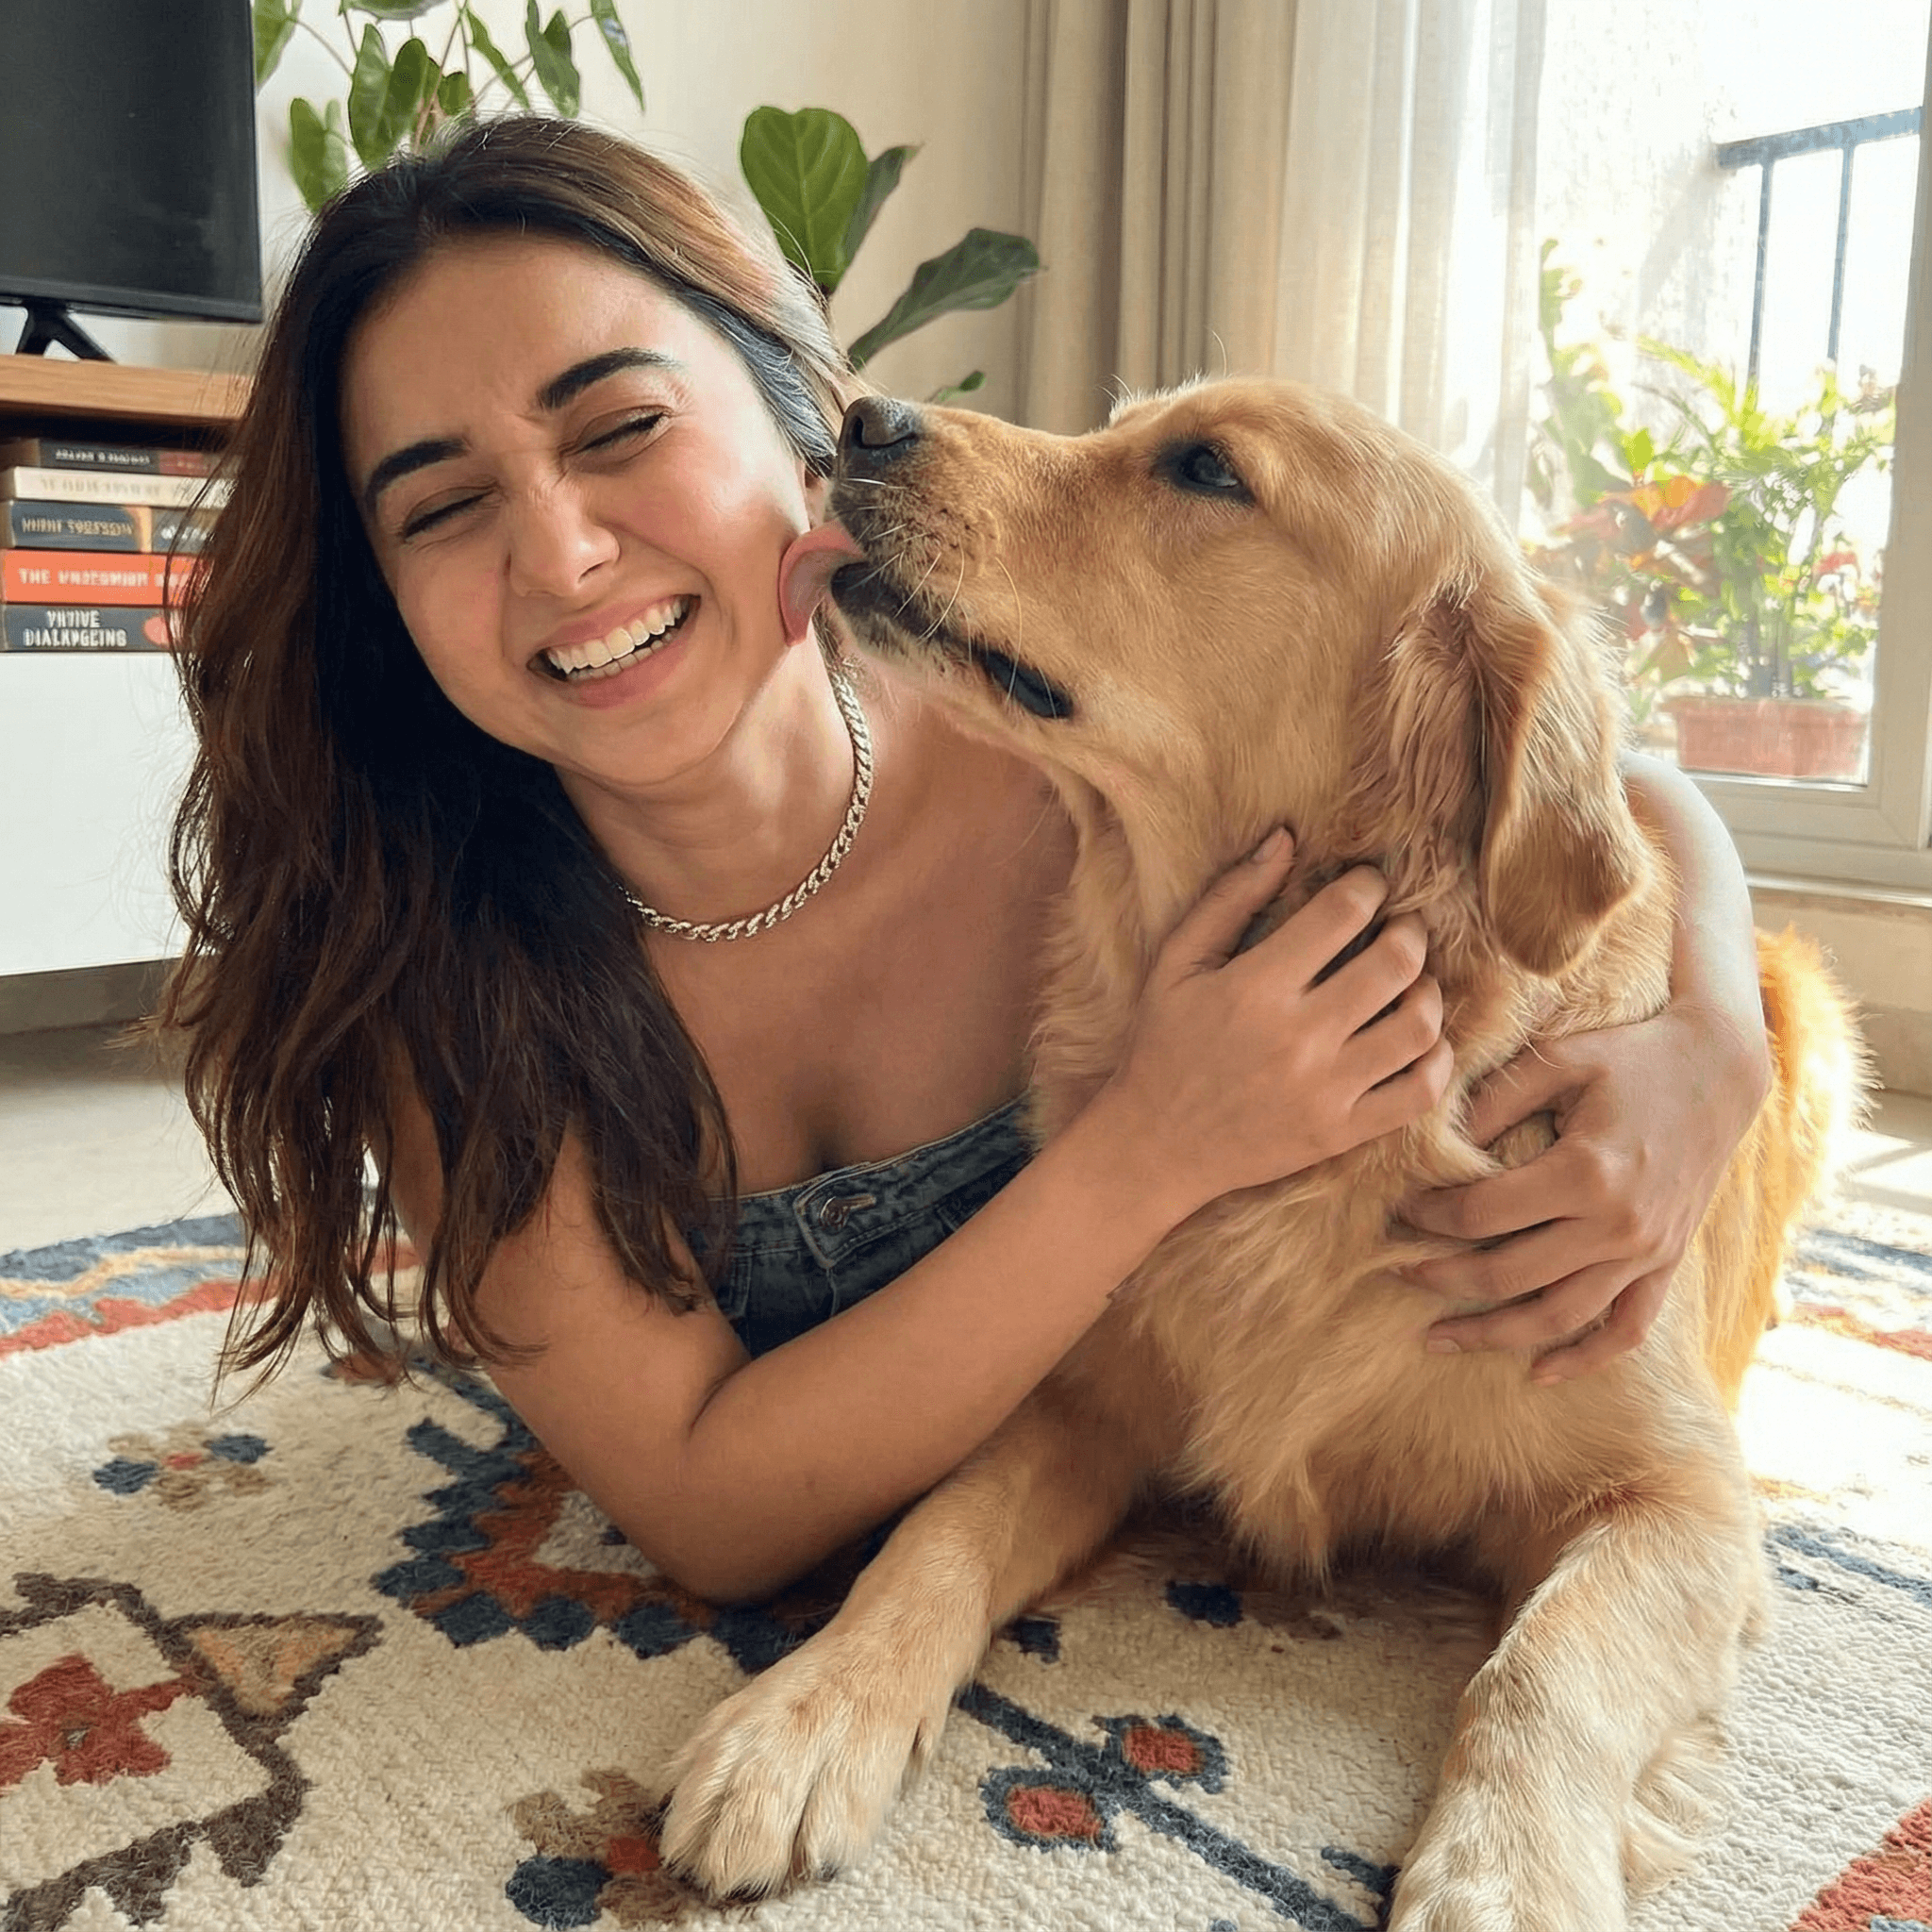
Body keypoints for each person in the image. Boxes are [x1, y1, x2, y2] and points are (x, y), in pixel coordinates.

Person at [162, 117, 1771, 1607]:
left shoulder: (1058, 743)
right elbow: (711, 1510)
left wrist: (1718, 1034)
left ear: (799, 415)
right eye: (442, 507)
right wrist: (1150, 1146)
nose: (563, 556)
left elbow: (1541, 775)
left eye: (625, 427)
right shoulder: (433, 976)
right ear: (382, 599)